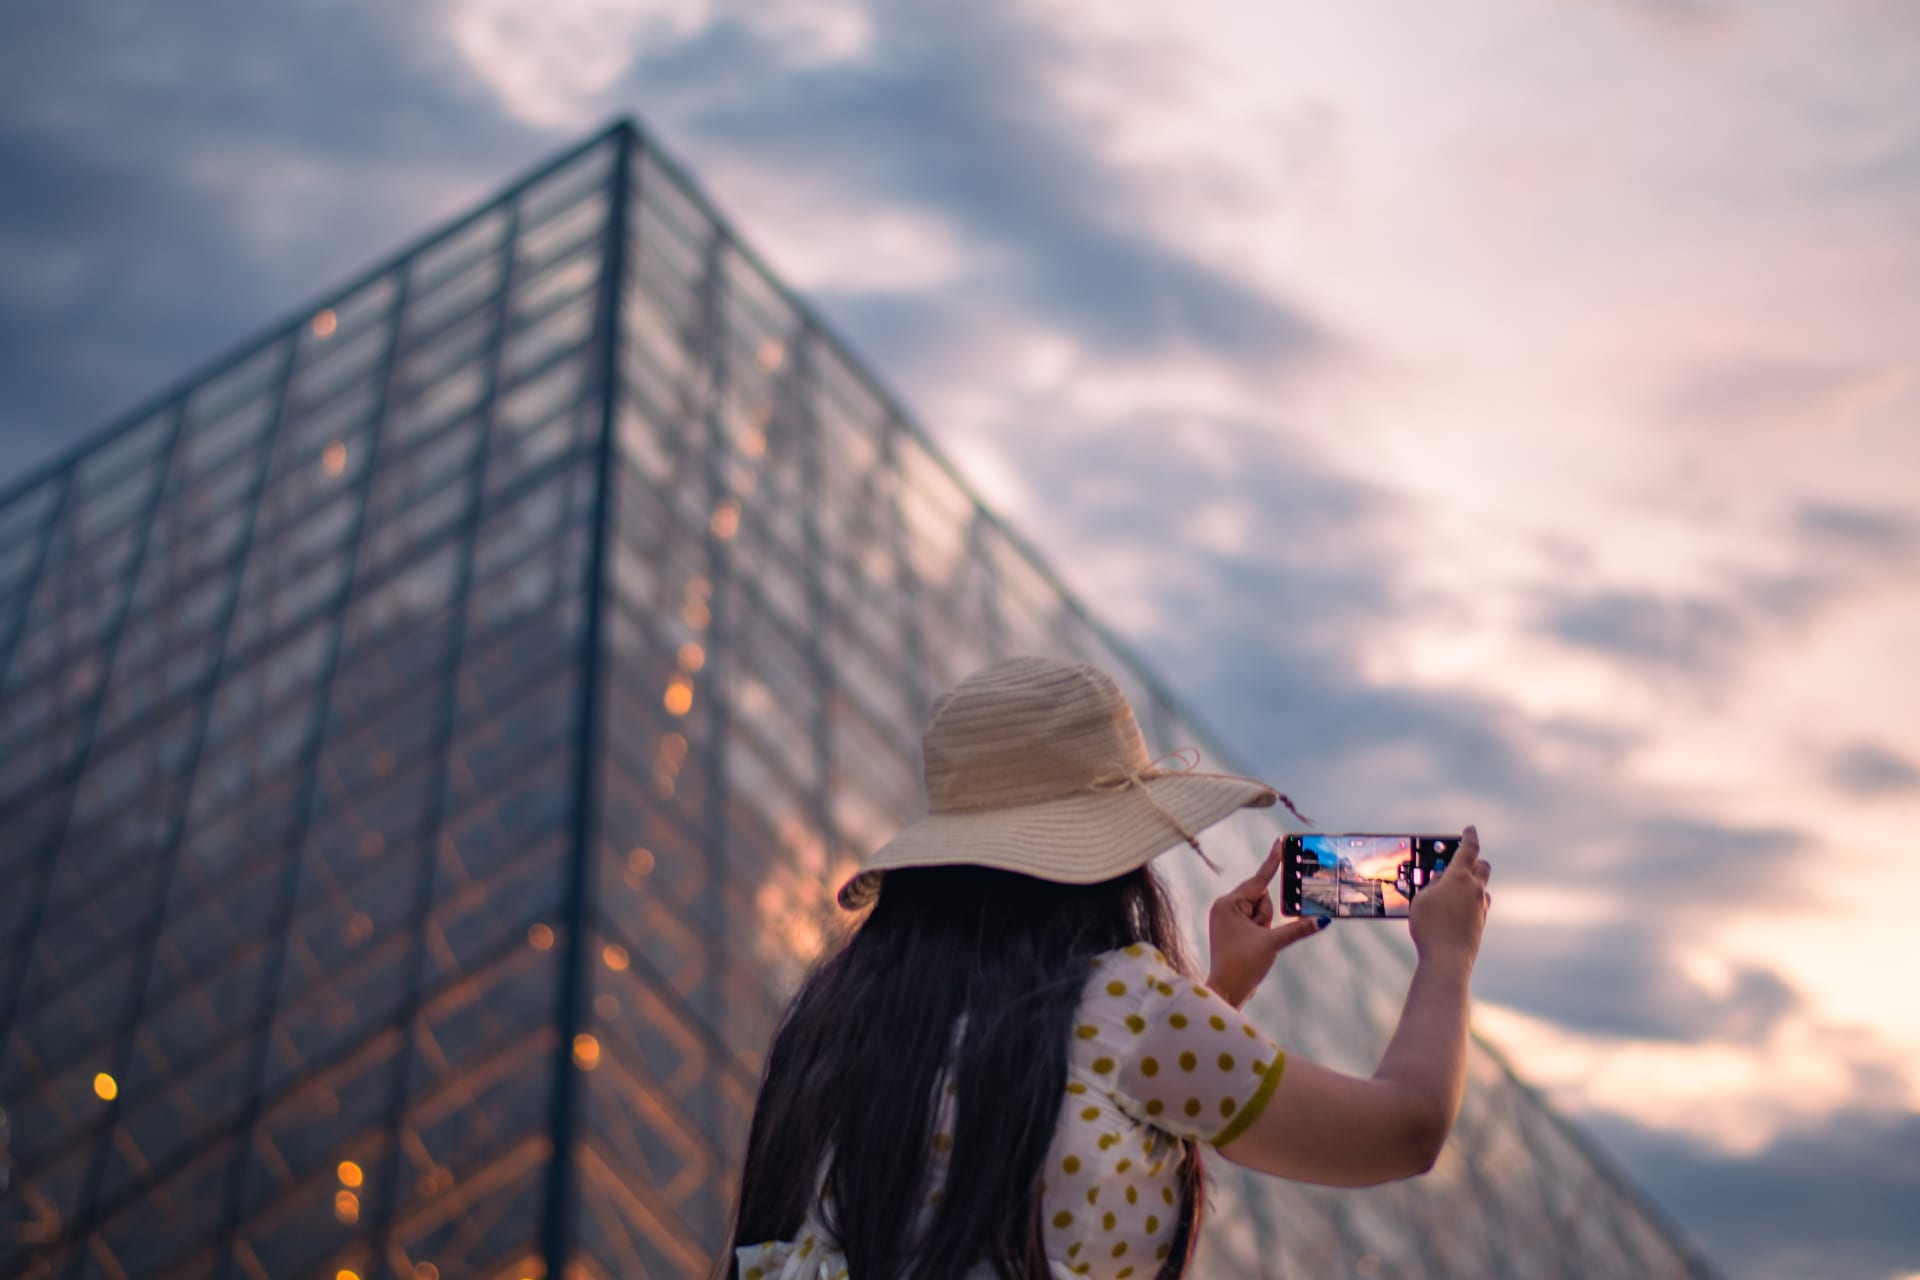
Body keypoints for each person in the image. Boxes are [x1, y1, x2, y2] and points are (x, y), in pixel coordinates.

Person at [724, 656, 1492, 1279]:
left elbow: (1068, 1103)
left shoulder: (838, 1015)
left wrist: (1219, 997)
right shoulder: (1131, 1009)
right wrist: (1447, 955)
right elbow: (1405, 1130)